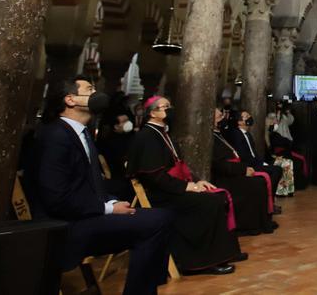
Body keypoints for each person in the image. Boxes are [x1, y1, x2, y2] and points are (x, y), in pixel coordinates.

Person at [26, 76, 173, 295]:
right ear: (70, 100)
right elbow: (56, 198)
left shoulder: (78, 133)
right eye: (89, 89)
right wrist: (109, 208)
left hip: (84, 216)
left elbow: (91, 185)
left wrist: (111, 201)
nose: (96, 93)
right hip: (65, 226)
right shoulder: (55, 136)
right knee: (156, 221)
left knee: (159, 219)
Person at [127, 96, 242, 275]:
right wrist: (185, 187)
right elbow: (154, 176)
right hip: (160, 194)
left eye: (169, 105)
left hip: (171, 188)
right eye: (165, 107)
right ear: (153, 113)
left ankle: (224, 253)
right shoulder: (147, 136)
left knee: (216, 196)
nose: (169, 110)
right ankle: (202, 262)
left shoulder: (163, 133)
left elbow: (180, 165)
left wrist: (196, 181)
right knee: (208, 203)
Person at [209, 108, 277, 234]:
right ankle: (250, 225)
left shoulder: (219, 135)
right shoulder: (213, 137)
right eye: (219, 117)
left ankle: (262, 221)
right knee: (257, 184)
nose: (223, 119)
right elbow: (219, 164)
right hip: (224, 177)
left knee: (261, 181)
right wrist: (243, 169)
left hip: (235, 170)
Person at [266, 110, 309, 190]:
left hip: (284, 151)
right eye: (275, 118)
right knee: (298, 162)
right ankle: (297, 185)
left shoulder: (275, 132)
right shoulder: (270, 133)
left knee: (301, 159)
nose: (276, 120)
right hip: (280, 154)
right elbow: (277, 144)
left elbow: (285, 140)